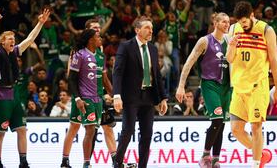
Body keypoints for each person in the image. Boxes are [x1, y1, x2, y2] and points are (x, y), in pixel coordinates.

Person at [0, 8, 50, 168]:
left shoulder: (15, 51)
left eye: (13, 38)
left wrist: (40, 23)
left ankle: (23, 162)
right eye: (9, 38)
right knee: (0, 133)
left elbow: (30, 39)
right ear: (2, 42)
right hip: (1, 98)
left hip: (14, 95)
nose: (12, 40)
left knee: (22, 129)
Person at [227, 1, 277, 168]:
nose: (242, 25)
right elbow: (229, 59)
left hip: (257, 86)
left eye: (244, 21)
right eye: (239, 22)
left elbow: (274, 61)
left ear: (252, 15)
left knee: (255, 127)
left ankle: (256, 163)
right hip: (238, 87)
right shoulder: (233, 29)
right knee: (236, 130)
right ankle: (261, 153)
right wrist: (231, 45)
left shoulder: (266, 30)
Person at [175, 12, 232, 168]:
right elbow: (189, 62)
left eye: (228, 22)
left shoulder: (230, 41)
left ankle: (216, 159)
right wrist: (181, 86)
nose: (227, 24)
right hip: (210, 84)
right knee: (217, 119)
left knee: (222, 124)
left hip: (226, 87)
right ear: (215, 23)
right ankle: (205, 155)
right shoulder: (205, 41)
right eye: (224, 22)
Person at [112, 16, 168, 168]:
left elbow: (156, 74)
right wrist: (116, 95)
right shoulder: (126, 46)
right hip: (130, 96)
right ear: (137, 30)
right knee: (128, 131)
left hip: (148, 97)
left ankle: (142, 166)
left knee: (147, 134)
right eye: (147, 28)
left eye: (151, 28)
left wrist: (163, 99)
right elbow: (117, 72)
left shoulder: (153, 49)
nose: (151, 31)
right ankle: (117, 163)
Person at [60, 19, 116, 168]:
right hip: (83, 97)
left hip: (98, 98)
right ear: (89, 35)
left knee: (100, 129)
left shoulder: (101, 55)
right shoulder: (78, 54)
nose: (99, 33)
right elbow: (71, 78)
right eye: (96, 31)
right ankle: (68, 161)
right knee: (78, 128)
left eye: (99, 29)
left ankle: (114, 160)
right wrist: (77, 97)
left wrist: (115, 96)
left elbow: (104, 79)